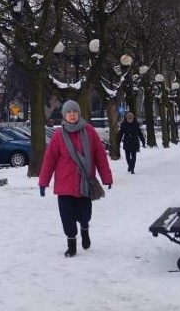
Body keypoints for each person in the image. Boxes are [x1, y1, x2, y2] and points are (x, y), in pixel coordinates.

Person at [38, 100, 113, 257]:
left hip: (84, 182)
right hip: (64, 184)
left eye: (74, 112)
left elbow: (100, 156)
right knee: (67, 217)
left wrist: (107, 178)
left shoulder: (89, 131)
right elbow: (49, 160)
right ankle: (71, 243)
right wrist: (43, 182)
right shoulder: (59, 135)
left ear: (79, 113)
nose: (72, 115)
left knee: (85, 214)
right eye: (69, 112)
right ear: (64, 115)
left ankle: (85, 229)